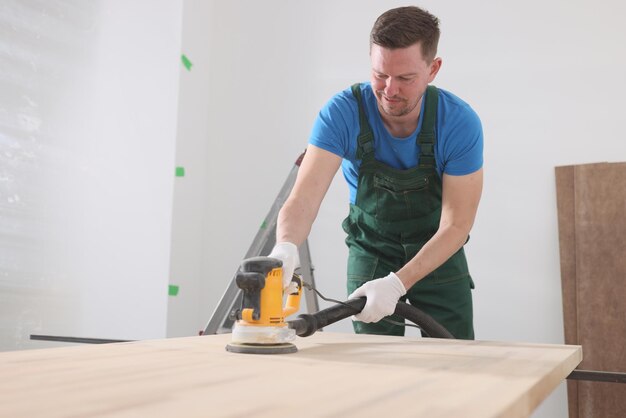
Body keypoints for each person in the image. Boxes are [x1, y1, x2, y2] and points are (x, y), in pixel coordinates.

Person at [269, 5, 483, 339]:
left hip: (438, 252)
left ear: (433, 69)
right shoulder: (341, 113)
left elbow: (457, 225)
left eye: (405, 78)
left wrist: (398, 283)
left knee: (454, 360)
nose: (389, 90)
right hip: (372, 251)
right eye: (380, 75)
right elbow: (303, 200)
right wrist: (285, 247)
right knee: (375, 361)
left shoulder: (458, 122)